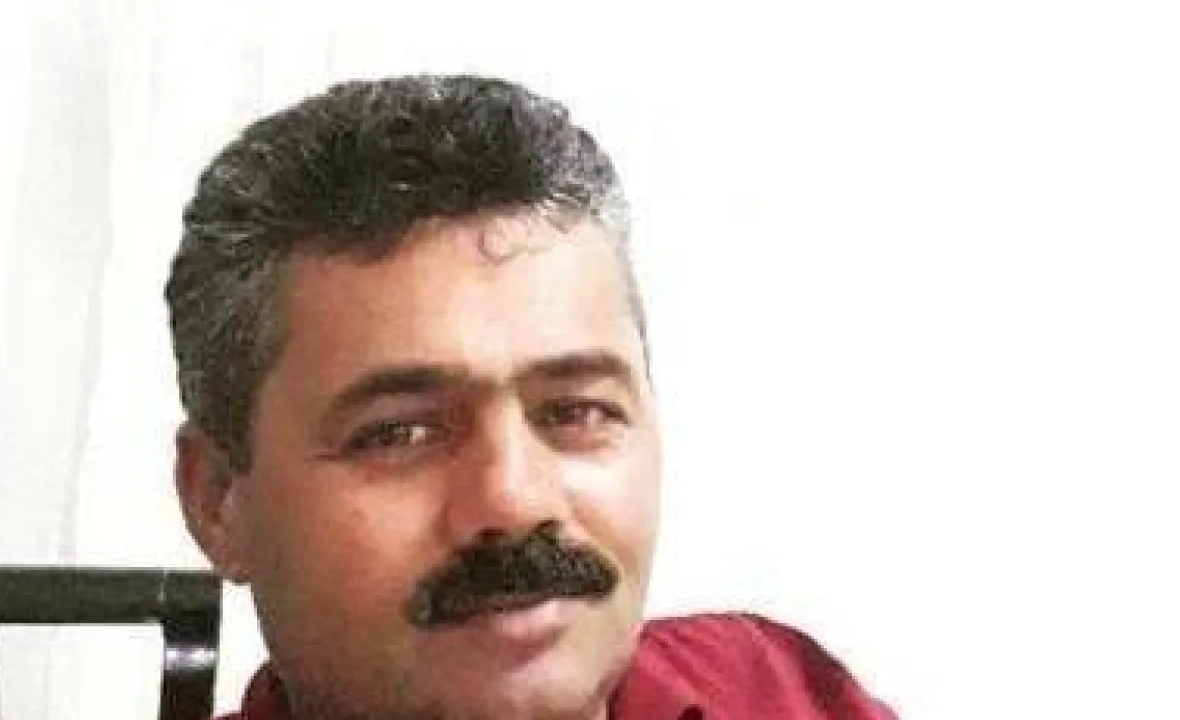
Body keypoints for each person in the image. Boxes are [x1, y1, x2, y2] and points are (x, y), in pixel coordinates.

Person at [165, 74, 896, 720]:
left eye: (576, 413)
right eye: (399, 434)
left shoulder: (778, 693)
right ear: (217, 500)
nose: (514, 501)